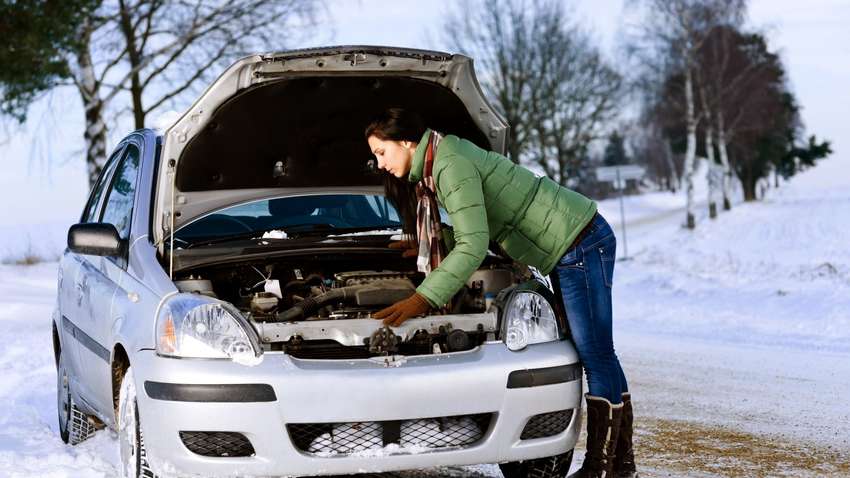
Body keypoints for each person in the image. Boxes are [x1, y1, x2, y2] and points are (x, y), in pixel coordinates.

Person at [365, 108, 636, 478]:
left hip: (579, 242)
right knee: (602, 353)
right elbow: (479, 222)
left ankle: (601, 468)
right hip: (572, 243)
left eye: (382, 152)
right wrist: (433, 243)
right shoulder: (444, 158)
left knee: (596, 354)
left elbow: (474, 245)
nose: (379, 164)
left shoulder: (449, 165)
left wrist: (423, 298)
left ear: (407, 142)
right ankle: (621, 467)